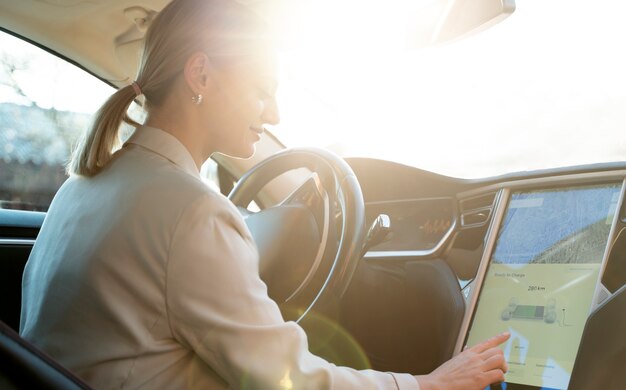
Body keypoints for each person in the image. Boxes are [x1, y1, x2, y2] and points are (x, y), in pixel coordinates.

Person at [20, 0, 509, 388]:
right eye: (261, 89)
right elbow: (287, 380)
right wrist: (428, 384)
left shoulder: (81, 189)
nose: (273, 113)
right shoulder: (193, 213)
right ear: (202, 75)